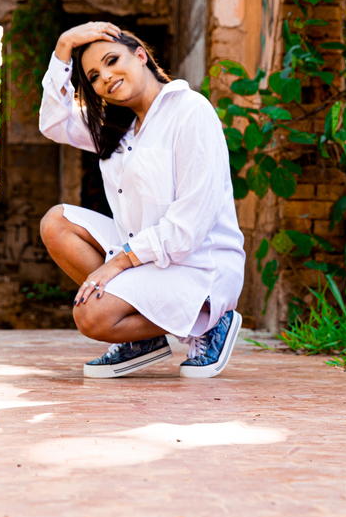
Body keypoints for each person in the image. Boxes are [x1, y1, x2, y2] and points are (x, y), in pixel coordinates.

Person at [38, 21, 246, 378]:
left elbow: (189, 228)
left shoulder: (189, 112)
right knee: (56, 224)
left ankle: (209, 320)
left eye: (112, 60)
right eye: (94, 75)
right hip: (147, 259)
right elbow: (53, 123)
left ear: (141, 55)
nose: (105, 75)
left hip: (198, 266)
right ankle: (142, 339)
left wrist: (118, 264)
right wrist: (64, 43)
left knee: (91, 316)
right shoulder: (119, 129)